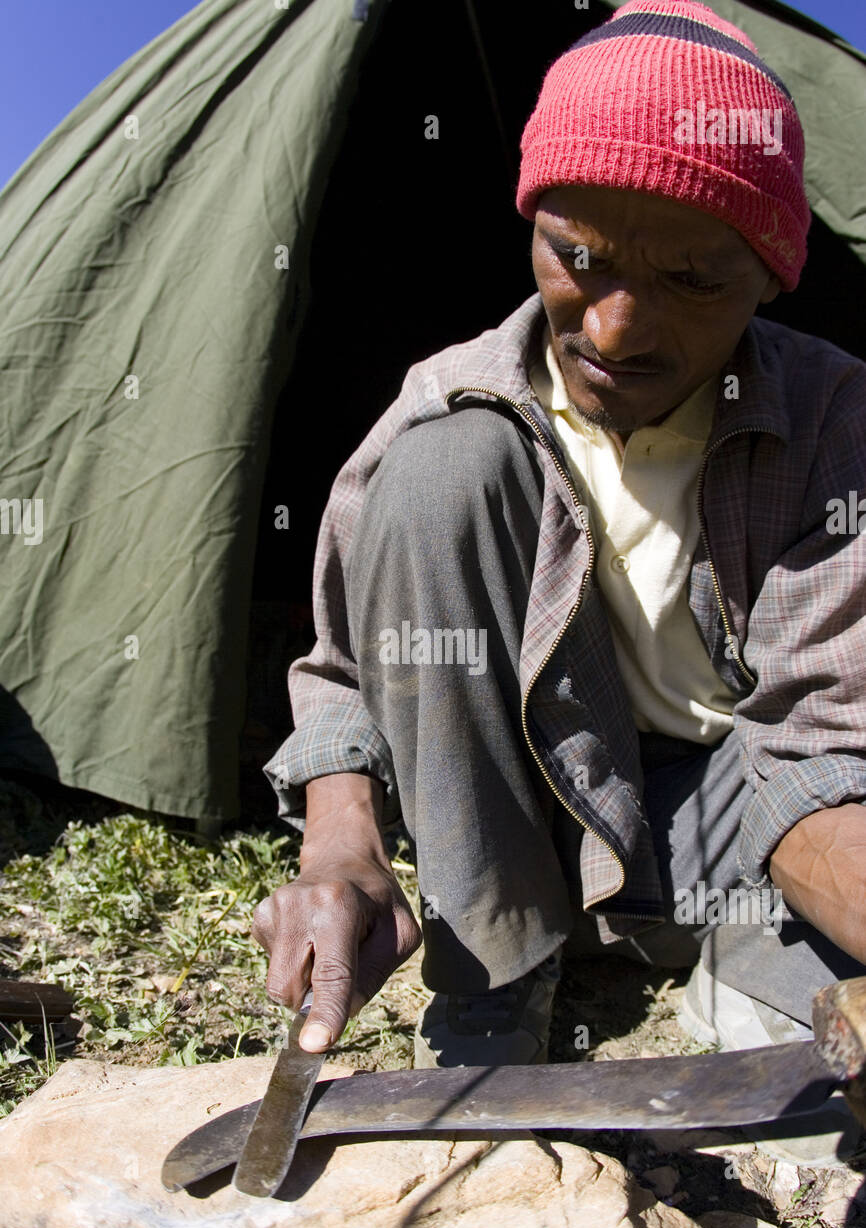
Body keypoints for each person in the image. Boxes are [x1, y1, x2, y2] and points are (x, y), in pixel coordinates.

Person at [252, 0, 866, 1151]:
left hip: (744, 808)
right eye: (575, 258)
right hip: (525, 811)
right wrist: (345, 849)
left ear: (772, 277)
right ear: (530, 220)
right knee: (442, 478)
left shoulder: (834, 421)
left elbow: (818, 752)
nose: (619, 329)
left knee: (796, 1040)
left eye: (693, 282)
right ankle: (496, 974)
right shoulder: (446, 398)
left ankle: (725, 961)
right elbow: (338, 677)